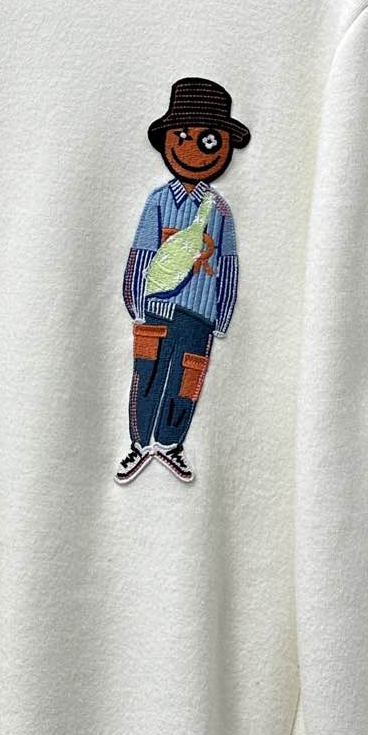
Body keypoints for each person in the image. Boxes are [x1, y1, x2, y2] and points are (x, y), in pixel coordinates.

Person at [117, 76, 250, 485]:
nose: (193, 148)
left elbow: (227, 263)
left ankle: (171, 442)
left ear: (223, 146)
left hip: (199, 313)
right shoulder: (158, 201)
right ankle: (140, 442)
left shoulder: (220, 211)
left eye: (208, 140)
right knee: (148, 371)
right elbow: (142, 251)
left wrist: (221, 315)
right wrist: (135, 300)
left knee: (187, 378)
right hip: (155, 306)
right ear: (167, 140)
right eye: (183, 136)